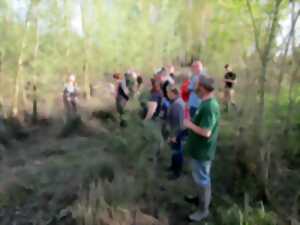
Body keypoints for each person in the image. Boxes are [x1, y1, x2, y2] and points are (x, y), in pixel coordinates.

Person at [183, 75, 220, 222]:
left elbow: (206, 132)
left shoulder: (210, 106)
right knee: (200, 177)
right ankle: (200, 199)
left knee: (203, 179)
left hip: (203, 151)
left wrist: (189, 124)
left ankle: (203, 210)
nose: (195, 88)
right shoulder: (205, 103)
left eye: (197, 86)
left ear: (203, 88)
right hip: (198, 149)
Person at [166, 86, 185, 179]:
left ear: (174, 94)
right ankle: (173, 166)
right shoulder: (176, 102)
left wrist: (175, 135)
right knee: (174, 150)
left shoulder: (177, 105)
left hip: (177, 131)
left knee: (177, 151)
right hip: (174, 130)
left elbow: (179, 122)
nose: (167, 95)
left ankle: (177, 172)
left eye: (169, 93)